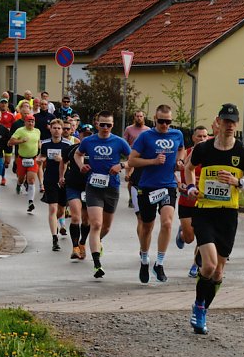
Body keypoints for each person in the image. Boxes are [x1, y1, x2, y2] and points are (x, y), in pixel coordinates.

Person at [184, 103, 244, 334]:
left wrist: (239, 183)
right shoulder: (204, 148)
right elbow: (188, 167)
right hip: (205, 211)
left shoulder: (243, 152)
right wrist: (190, 187)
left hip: (228, 216)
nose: (230, 125)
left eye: (233, 121)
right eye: (226, 121)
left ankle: (204, 308)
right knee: (209, 265)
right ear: (218, 122)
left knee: (218, 272)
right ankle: (198, 307)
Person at [128, 105, 186, 284]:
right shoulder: (145, 136)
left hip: (168, 185)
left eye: (168, 121)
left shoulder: (177, 134)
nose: (164, 125)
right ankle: (144, 260)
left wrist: (180, 161)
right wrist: (153, 161)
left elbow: (181, 149)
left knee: (167, 223)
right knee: (147, 227)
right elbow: (132, 160)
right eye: (161, 121)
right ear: (154, 119)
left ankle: (159, 263)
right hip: (147, 187)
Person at [72, 111, 131, 278]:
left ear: (113, 126)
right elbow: (78, 154)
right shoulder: (89, 141)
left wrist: (122, 166)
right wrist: (81, 165)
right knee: (96, 224)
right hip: (93, 187)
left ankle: (94, 242)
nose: (105, 128)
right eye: (102, 124)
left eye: (109, 125)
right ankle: (97, 264)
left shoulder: (119, 142)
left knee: (105, 227)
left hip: (112, 187)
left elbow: (132, 158)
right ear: (97, 124)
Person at [176, 125, 210, 277]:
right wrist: (179, 184)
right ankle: (182, 234)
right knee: (189, 238)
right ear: (193, 138)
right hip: (186, 201)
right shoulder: (187, 152)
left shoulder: (211, 154)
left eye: (205, 136)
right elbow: (177, 169)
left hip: (203, 202)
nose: (202, 139)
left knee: (203, 235)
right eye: (199, 136)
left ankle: (196, 265)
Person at [59, 125, 93, 260]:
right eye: (85, 134)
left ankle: (82, 243)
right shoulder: (71, 149)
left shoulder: (95, 151)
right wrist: (61, 176)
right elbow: (63, 162)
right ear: (80, 136)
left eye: (90, 134)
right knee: (75, 217)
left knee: (86, 220)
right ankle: (75, 248)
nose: (87, 137)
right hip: (73, 186)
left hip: (90, 188)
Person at [40, 119, 71, 250]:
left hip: (63, 179)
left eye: (59, 128)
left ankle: (60, 222)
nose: (57, 130)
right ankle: (54, 238)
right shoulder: (45, 144)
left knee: (61, 209)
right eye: (54, 128)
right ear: (50, 129)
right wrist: (39, 159)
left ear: (62, 130)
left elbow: (72, 162)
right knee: (52, 208)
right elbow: (42, 157)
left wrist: (63, 160)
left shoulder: (67, 144)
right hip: (50, 179)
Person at [8, 113, 42, 213]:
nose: (31, 123)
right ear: (25, 122)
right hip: (22, 159)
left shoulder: (37, 131)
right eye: (29, 121)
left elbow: (38, 141)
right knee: (21, 178)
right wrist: (21, 141)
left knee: (31, 180)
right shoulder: (20, 130)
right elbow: (11, 141)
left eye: (33, 121)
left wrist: (39, 145)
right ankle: (19, 185)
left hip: (33, 159)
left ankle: (30, 202)